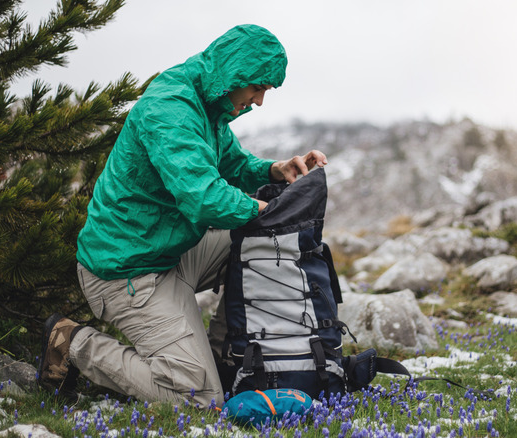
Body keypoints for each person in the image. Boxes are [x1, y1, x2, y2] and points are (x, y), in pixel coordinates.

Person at [36, 24, 327, 408]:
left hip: (171, 250)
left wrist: (277, 170)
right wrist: (269, 210)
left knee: (261, 241)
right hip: (129, 271)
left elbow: (231, 164)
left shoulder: (209, 102)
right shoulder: (171, 108)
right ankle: (72, 342)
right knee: (199, 398)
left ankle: (230, 353)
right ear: (235, 73)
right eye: (258, 88)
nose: (259, 102)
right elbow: (204, 198)